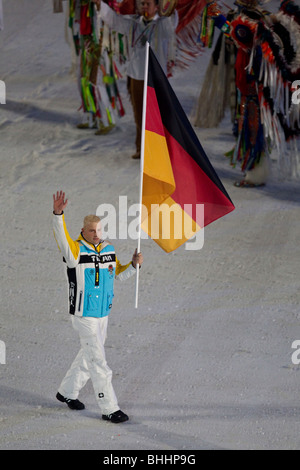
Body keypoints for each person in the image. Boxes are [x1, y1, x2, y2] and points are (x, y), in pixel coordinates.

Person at [52, 190, 143, 423]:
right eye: (91, 230)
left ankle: (67, 392)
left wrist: (133, 265)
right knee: (98, 361)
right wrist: (58, 214)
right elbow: (61, 236)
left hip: (103, 314)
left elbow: (118, 275)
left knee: (89, 354)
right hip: (84, 315)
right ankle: (109, 407)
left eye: (99, 230)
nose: (96, 234)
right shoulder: (74, 250)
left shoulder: (108, 249)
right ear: (83, 231)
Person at [92, 0, 178, 159]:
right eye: (142, 4)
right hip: (137, 76)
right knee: (140, 115)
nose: (144, 7)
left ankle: (162, 149)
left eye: (148, 4)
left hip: (157, 78)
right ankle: (142, 148)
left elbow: (172, 25)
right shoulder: (133, 24)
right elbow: (114, 20)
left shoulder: (162, 25)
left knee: (159, 115)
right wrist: (100, 5)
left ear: (156, 7)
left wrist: (170, 10)